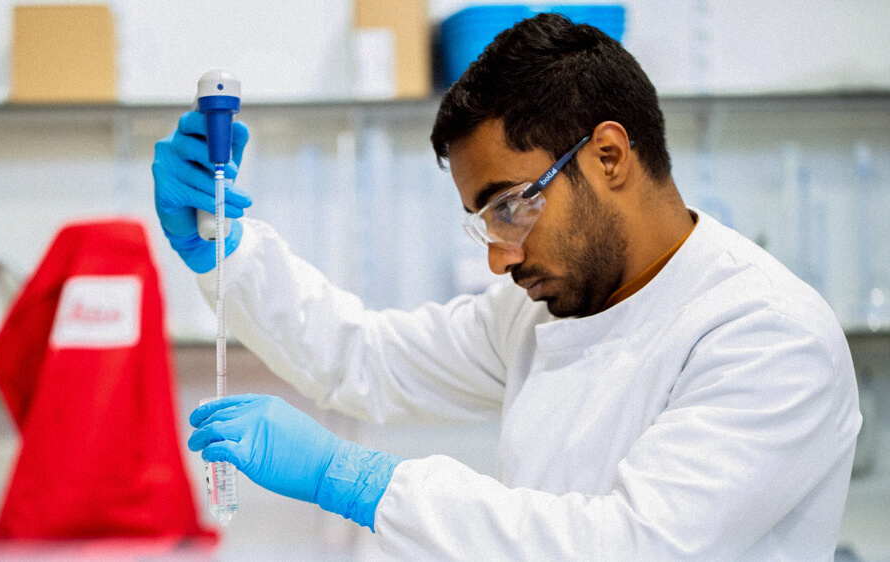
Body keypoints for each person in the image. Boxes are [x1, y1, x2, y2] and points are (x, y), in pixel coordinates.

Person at [152, 13, 861, 560]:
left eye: (510, 207)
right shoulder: (543, 313)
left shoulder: (767, 333)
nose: (500, 258)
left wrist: (358, 480)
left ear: (609, 156)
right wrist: (224, 247)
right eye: (485, 221)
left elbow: (625, 548)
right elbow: (366, 358)